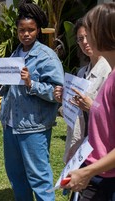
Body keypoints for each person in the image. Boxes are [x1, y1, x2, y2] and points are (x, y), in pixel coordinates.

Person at [0, 1, 64, 200]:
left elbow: (57, 93)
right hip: (11, 125)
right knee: (16, 175)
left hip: (33, 127)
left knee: (38, 177)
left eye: (30, 30)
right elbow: (6, 90)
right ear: (17, 31)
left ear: (38, 30)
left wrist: (31, 83)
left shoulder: (46, 56)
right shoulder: (14, 54)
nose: (26, 34)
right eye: (22, 30)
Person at [63, 3, 115, 199]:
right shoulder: (111, 75)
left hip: (106, 180)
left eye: (89, 31)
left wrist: (86, 172)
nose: (84, 39)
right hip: (95, 172)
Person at [54, 18, 111, 163]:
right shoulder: (81, 73)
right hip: (80, 142)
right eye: (80, 39)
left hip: (101, 147)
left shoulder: (110, 71)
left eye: (88, 36)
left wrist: (92, 107)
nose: (85, 42)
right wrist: (64, 99)